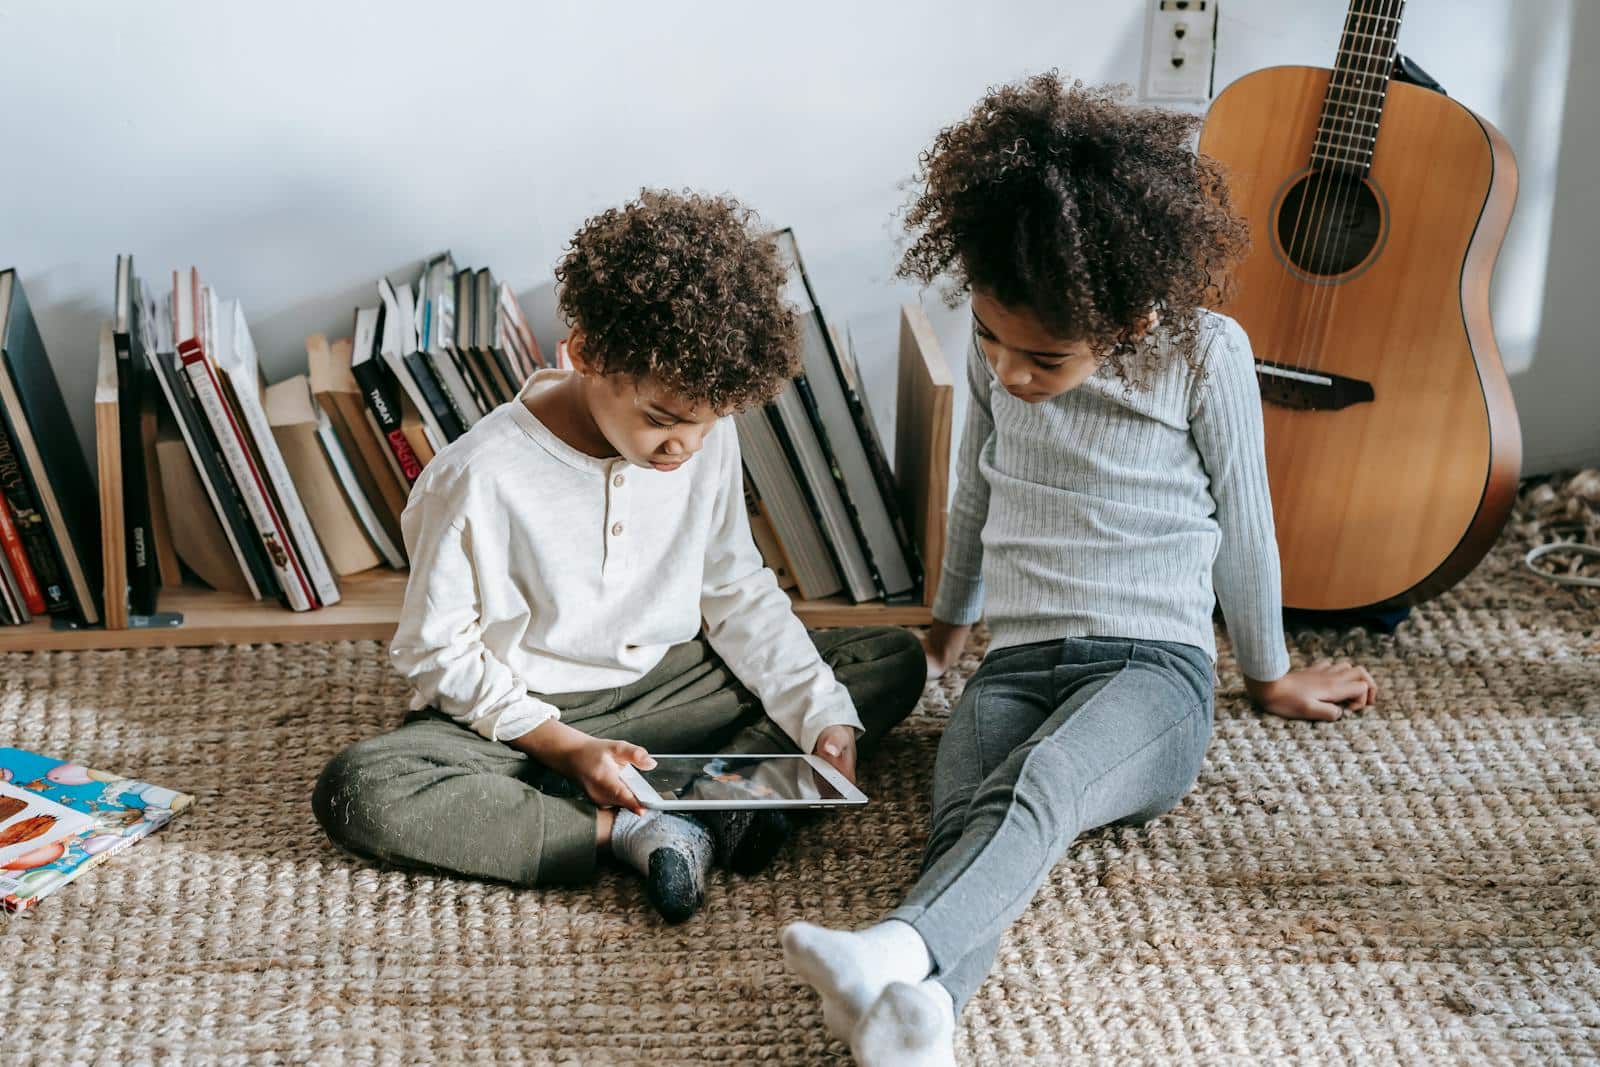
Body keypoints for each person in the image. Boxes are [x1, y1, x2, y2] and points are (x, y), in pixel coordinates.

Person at [781, 74, 1378, 1065]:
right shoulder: (999, 341)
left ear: (1129, 320)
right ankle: (926, 1020)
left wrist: (1267, 672)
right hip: (1015, 663)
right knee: (965, 809)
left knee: (1046, 777)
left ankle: (894, 945)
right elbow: (976, 486)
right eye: (992, 340)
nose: (1012, 372)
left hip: (1154, 676)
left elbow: (1245, 520)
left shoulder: (1201, 351)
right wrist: (944, 625)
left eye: (1044, 359)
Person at [313, 190, 925, 923]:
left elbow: (733, 586)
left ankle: (701, 797)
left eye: (707, 425)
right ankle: (638, 823)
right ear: (587, 353)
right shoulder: (477, 475)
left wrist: (819, 713)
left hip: (668, 687)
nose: (684, 449)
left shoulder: (698, 434)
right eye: (664, 422)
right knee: (362, 788)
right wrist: (568, 747)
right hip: (528, 715)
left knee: (888, 659)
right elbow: (435, 653)